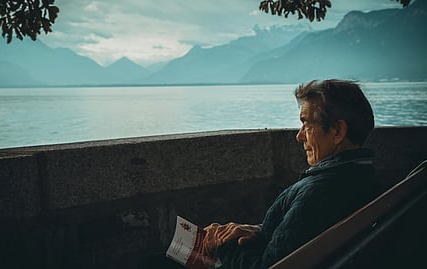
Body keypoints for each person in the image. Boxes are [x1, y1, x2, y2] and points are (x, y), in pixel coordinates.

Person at [138, 79, 381, 269]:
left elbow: (270, 265)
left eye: (307, 124)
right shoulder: (361, 177)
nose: (299, 136)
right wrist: (257, 231)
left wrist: (222, 244)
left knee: (154, 263)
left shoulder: (320, 191)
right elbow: (296, 236)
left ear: (337, 131)